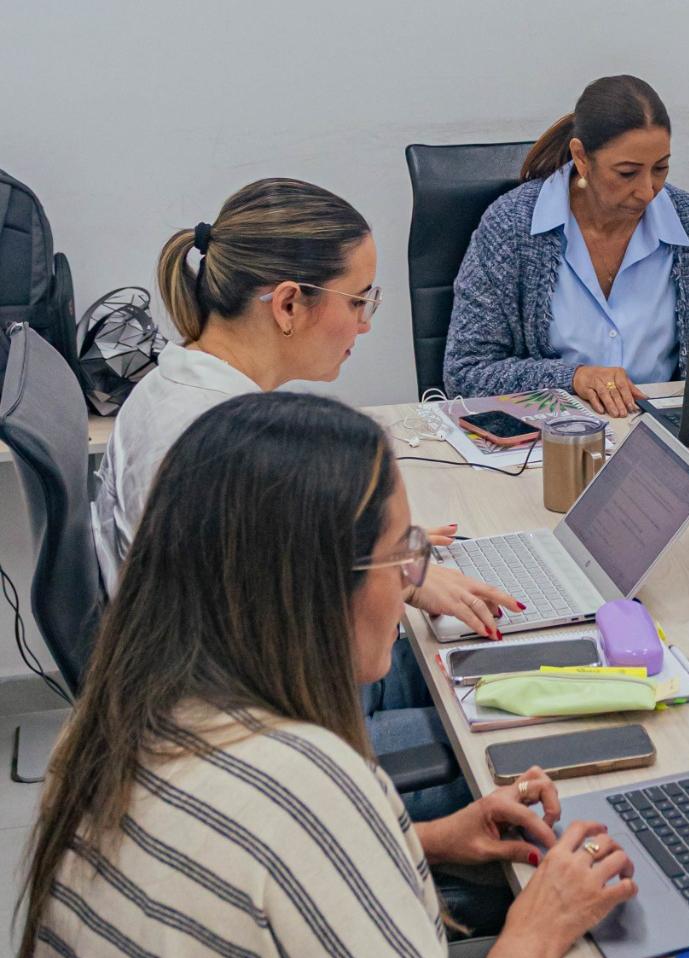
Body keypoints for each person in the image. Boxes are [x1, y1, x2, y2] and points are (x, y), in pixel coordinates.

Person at [18, 393, 636, 958]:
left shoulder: (118, 715)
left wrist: (431, 840)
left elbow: (261, 880)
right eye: (402, 556)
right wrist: (537, 928)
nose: (410, 583)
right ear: (310, 589)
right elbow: (288, 832)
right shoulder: (306, 785)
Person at [91, 177, 520, 820]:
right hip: (255, 755)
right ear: (288, 305)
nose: (366, 324)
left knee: (478, 659)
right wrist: (392, 571)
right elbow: (269, 647)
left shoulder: (185, 389)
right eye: (358, 301)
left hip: (242, 707)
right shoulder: (219, 443)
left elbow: (257, 577)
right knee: (510, 754)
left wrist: (382, 557)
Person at [445, 75, 689, 416]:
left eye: (660, 168)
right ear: (581, 157)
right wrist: (573, 378)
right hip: (550, 437)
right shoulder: (512, 227)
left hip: (665, 431)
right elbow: (466, 372)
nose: (648, 190)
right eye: (627, 173)